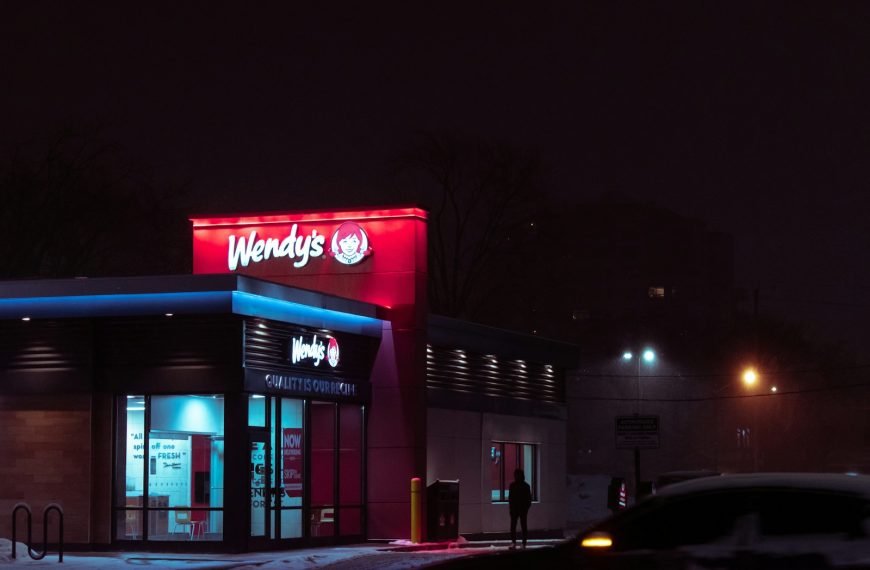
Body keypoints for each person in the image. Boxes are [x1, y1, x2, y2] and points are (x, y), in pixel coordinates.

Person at [508, 468, 532, 549]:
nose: (516, 477)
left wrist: (525, 508)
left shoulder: (515, 486)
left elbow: (529, 499)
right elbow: (510, 499)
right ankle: (517, 543)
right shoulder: (523, 486)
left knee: (519, 526)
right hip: (518, 509)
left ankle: (520, 543)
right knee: (517, 526)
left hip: (521, 509)